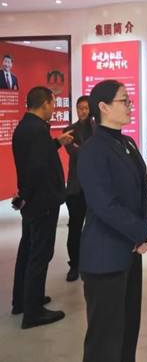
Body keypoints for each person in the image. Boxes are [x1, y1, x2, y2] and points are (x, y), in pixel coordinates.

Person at [78, 80, 147, 362]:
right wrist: (141, 233)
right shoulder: (93, 150)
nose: (130, 106)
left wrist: (144, 232)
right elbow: (104, 205)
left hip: (129, 254)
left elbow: (144, 190)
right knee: (105, 341)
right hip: (104, 257)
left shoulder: (127, 142)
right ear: (103, 107)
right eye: (124, 101)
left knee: (127, 330)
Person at [11, 86, 73, 328]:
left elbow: (37, 156)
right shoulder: (37, 130)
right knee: (40, 254)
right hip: (42, 201)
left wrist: (57, 142)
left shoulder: (26, 127)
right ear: (45, 103)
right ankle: (33, 312)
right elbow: (36, 168)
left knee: (28, 250)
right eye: (53, 103)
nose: (54, 108)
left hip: (34, 202)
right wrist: (25, 195)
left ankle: (23, 300)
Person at [63, 95, 93, 282]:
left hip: (95, 188)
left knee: (94, 228)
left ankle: (90, 261)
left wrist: (82, 148)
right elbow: (74, 153)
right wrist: (90, 150)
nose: (83, 111)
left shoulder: (99, 129)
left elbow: (97, 153)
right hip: (76, 188)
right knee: (74, 228)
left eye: (86, 108)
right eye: (80, 108)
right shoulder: (69, 131)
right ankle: (74, 265)